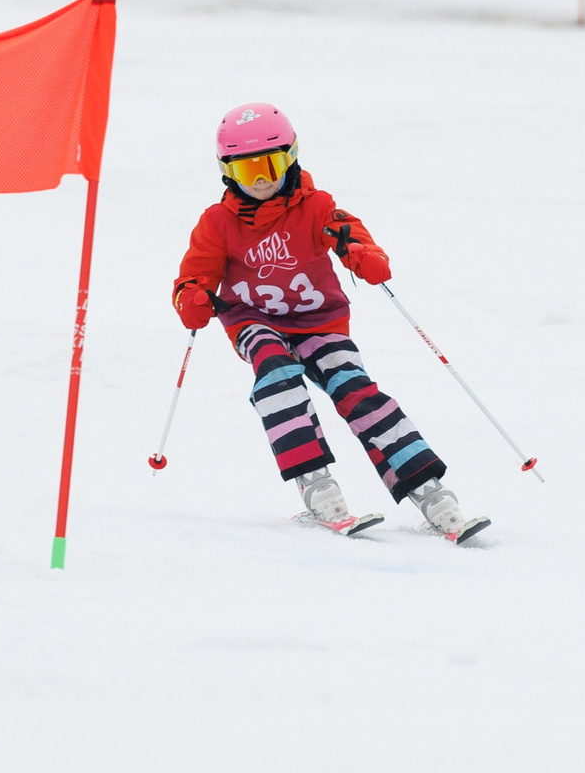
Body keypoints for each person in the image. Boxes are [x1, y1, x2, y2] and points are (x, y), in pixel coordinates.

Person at [170, 103, 490, 544]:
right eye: (246, 172)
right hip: (253, 320)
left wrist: (363, 255)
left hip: (320, 321)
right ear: (227, 172)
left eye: (269, 164)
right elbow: (194, 274)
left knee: (354, 388)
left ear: (291, 158)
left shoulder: (316, 206)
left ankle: (428, 490)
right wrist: (192, 297)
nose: (260, 179)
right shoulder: (218, 223)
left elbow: (348, 231)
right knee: (274, 370)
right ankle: (317, 486)